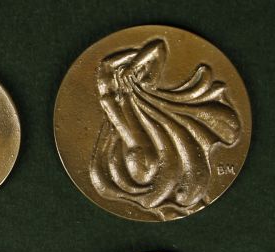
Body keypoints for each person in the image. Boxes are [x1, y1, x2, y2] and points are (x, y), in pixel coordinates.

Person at [90, 39, 241, 218]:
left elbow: (159, 46)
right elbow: (107, 66)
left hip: (138, 130)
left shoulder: (140, 83)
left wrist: (133, 65)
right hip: (132, 133)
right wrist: (131, 67)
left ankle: (175, 196)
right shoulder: (118, 90)